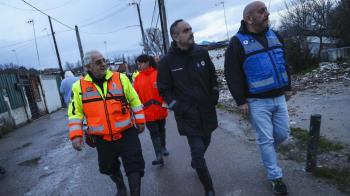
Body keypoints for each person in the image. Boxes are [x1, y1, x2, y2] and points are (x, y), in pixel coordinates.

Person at [224, 1, 292, 195]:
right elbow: (232, 74)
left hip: (279, 97)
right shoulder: (237, 43)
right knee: (266, 139)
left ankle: (268, 155)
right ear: (249, 18)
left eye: (266, 10)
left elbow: (284, 62)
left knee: (282, 134)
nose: (267, 14)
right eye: (261, 11)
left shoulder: (275, 35)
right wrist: (241, 101)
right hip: (256, 101)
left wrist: (288, 87)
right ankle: (275, 177)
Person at [68, 50, 146, 196]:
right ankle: (120, 186)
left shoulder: (120, 78)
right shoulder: (79, 87)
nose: (103, 64)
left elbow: (134, 100)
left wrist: (140, 120)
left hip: (127, 132)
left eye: (104, 60)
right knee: (108, 167)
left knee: (134, 165)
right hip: (102, 138)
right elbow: (75, 113)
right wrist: (76, 135)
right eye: (98, 62)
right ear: (88, 67)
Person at [157, 19, 219, 196]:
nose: (191, 32)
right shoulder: (167, 62)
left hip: (207, 110)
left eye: (191, 29)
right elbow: (163, 88)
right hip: (187, 115)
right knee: (198, 151)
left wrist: (214, 93)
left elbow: (212, 76)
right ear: (176, 36)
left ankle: (196, 163)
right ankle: (209, 188)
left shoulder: (201, 53)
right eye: (186, 30)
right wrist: (177, 106)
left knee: (206, 141)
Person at [133, 54, 169, 166]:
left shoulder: (159, 74)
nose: (139, 66)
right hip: (147, 111)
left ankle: (163, 147)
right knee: (154, 132)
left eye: (141, 63)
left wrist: (166, 103)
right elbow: (135, 96)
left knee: (161, 129)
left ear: (147, 62)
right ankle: (158, 155)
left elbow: (166, 90)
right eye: (138, 64)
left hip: (160, 108)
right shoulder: (138, 79)